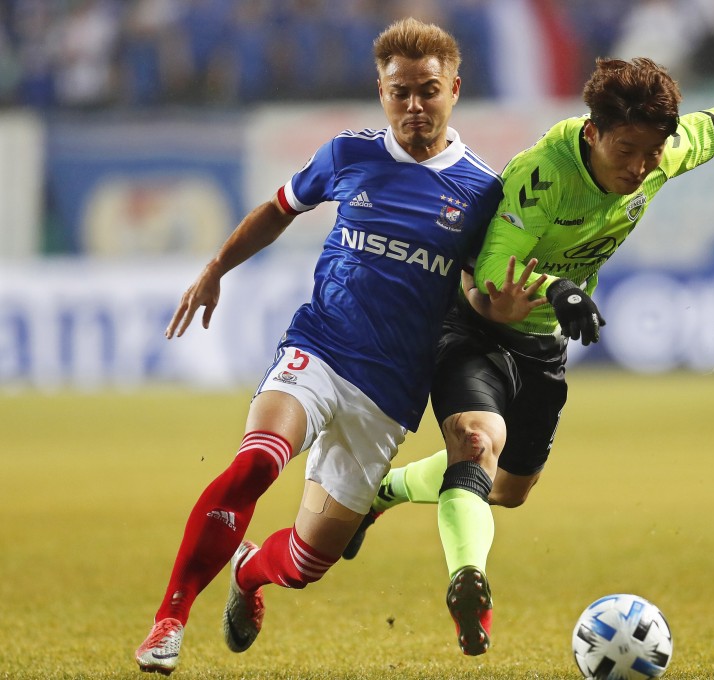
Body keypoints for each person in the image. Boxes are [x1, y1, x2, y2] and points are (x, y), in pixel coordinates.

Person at [343, 58, 714, 656]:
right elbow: (493, 266)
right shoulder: (543, 176)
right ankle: (467, 581)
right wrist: (554, 287)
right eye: (627, 150)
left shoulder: (661, 153)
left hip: (543, 346)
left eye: (652, 153)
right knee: (475, 441)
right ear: (593, 132)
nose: (640, 167)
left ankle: (381, 493)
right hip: (476, 323)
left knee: (508, 488)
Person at [133, 17, 548, 675]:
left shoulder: (481, 192)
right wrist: (216, 267)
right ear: (381, 91)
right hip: (319, 348)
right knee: (256, 463)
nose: (414, 106)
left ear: (455, 90)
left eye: (428, 91)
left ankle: (249, 575)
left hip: (387, 394)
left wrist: (496, 308)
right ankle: (168, 621)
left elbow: (472, 296)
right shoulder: (349, 154)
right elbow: (279, 207)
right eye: (399, 92)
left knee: (304, 563)